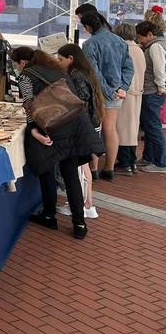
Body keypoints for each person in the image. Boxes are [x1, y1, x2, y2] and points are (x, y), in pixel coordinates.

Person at [10, 47, 103, 239]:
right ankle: (79, 224)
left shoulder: (26, 75)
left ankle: (49, 214)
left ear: (23, 63)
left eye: (16, 64)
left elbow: (29, 104)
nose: (17, 68)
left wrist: (33, 130)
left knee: (47, 170)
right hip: (74, 124)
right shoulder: (56, 69)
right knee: (71, 175)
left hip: (51, 125)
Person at [80, 9, 133, 181]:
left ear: (88, 26)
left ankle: (94, 169)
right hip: (117, 94)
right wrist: (121, 88)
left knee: (95, 129)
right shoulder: (120, 41)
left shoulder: (90, 44)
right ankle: (109, 168)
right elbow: (128, 68)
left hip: (97, 93)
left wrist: (107, 92)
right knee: (111, 129)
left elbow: (93, 73)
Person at [56, 44, 105, 219]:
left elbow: (79, 102)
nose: (59, 62)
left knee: (79, 167)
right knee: (83, 165)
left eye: (61, 59)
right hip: (91, 123)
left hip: (84, 126)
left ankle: (81, 205)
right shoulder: (85, 73)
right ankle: (88, 204)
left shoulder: (77, 76)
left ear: (71, 59)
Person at [113, 24, 145, 174]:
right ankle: (131, 162)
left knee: (122, 128)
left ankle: (124, 163)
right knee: (132, 129)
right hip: (137, 92)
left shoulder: (122, 49)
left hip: (124, 92)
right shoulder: (139, 50)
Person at [135, 21, 166, 173]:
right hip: (153, 91)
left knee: (153, 127)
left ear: (150, 34)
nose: (140, 40)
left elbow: (159, 69)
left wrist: (161, 86)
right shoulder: (157, 44)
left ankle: (161, 163)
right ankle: (148, 157)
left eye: (141, 37)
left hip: (152, 91)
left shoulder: (155, 46)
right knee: (149, 126)